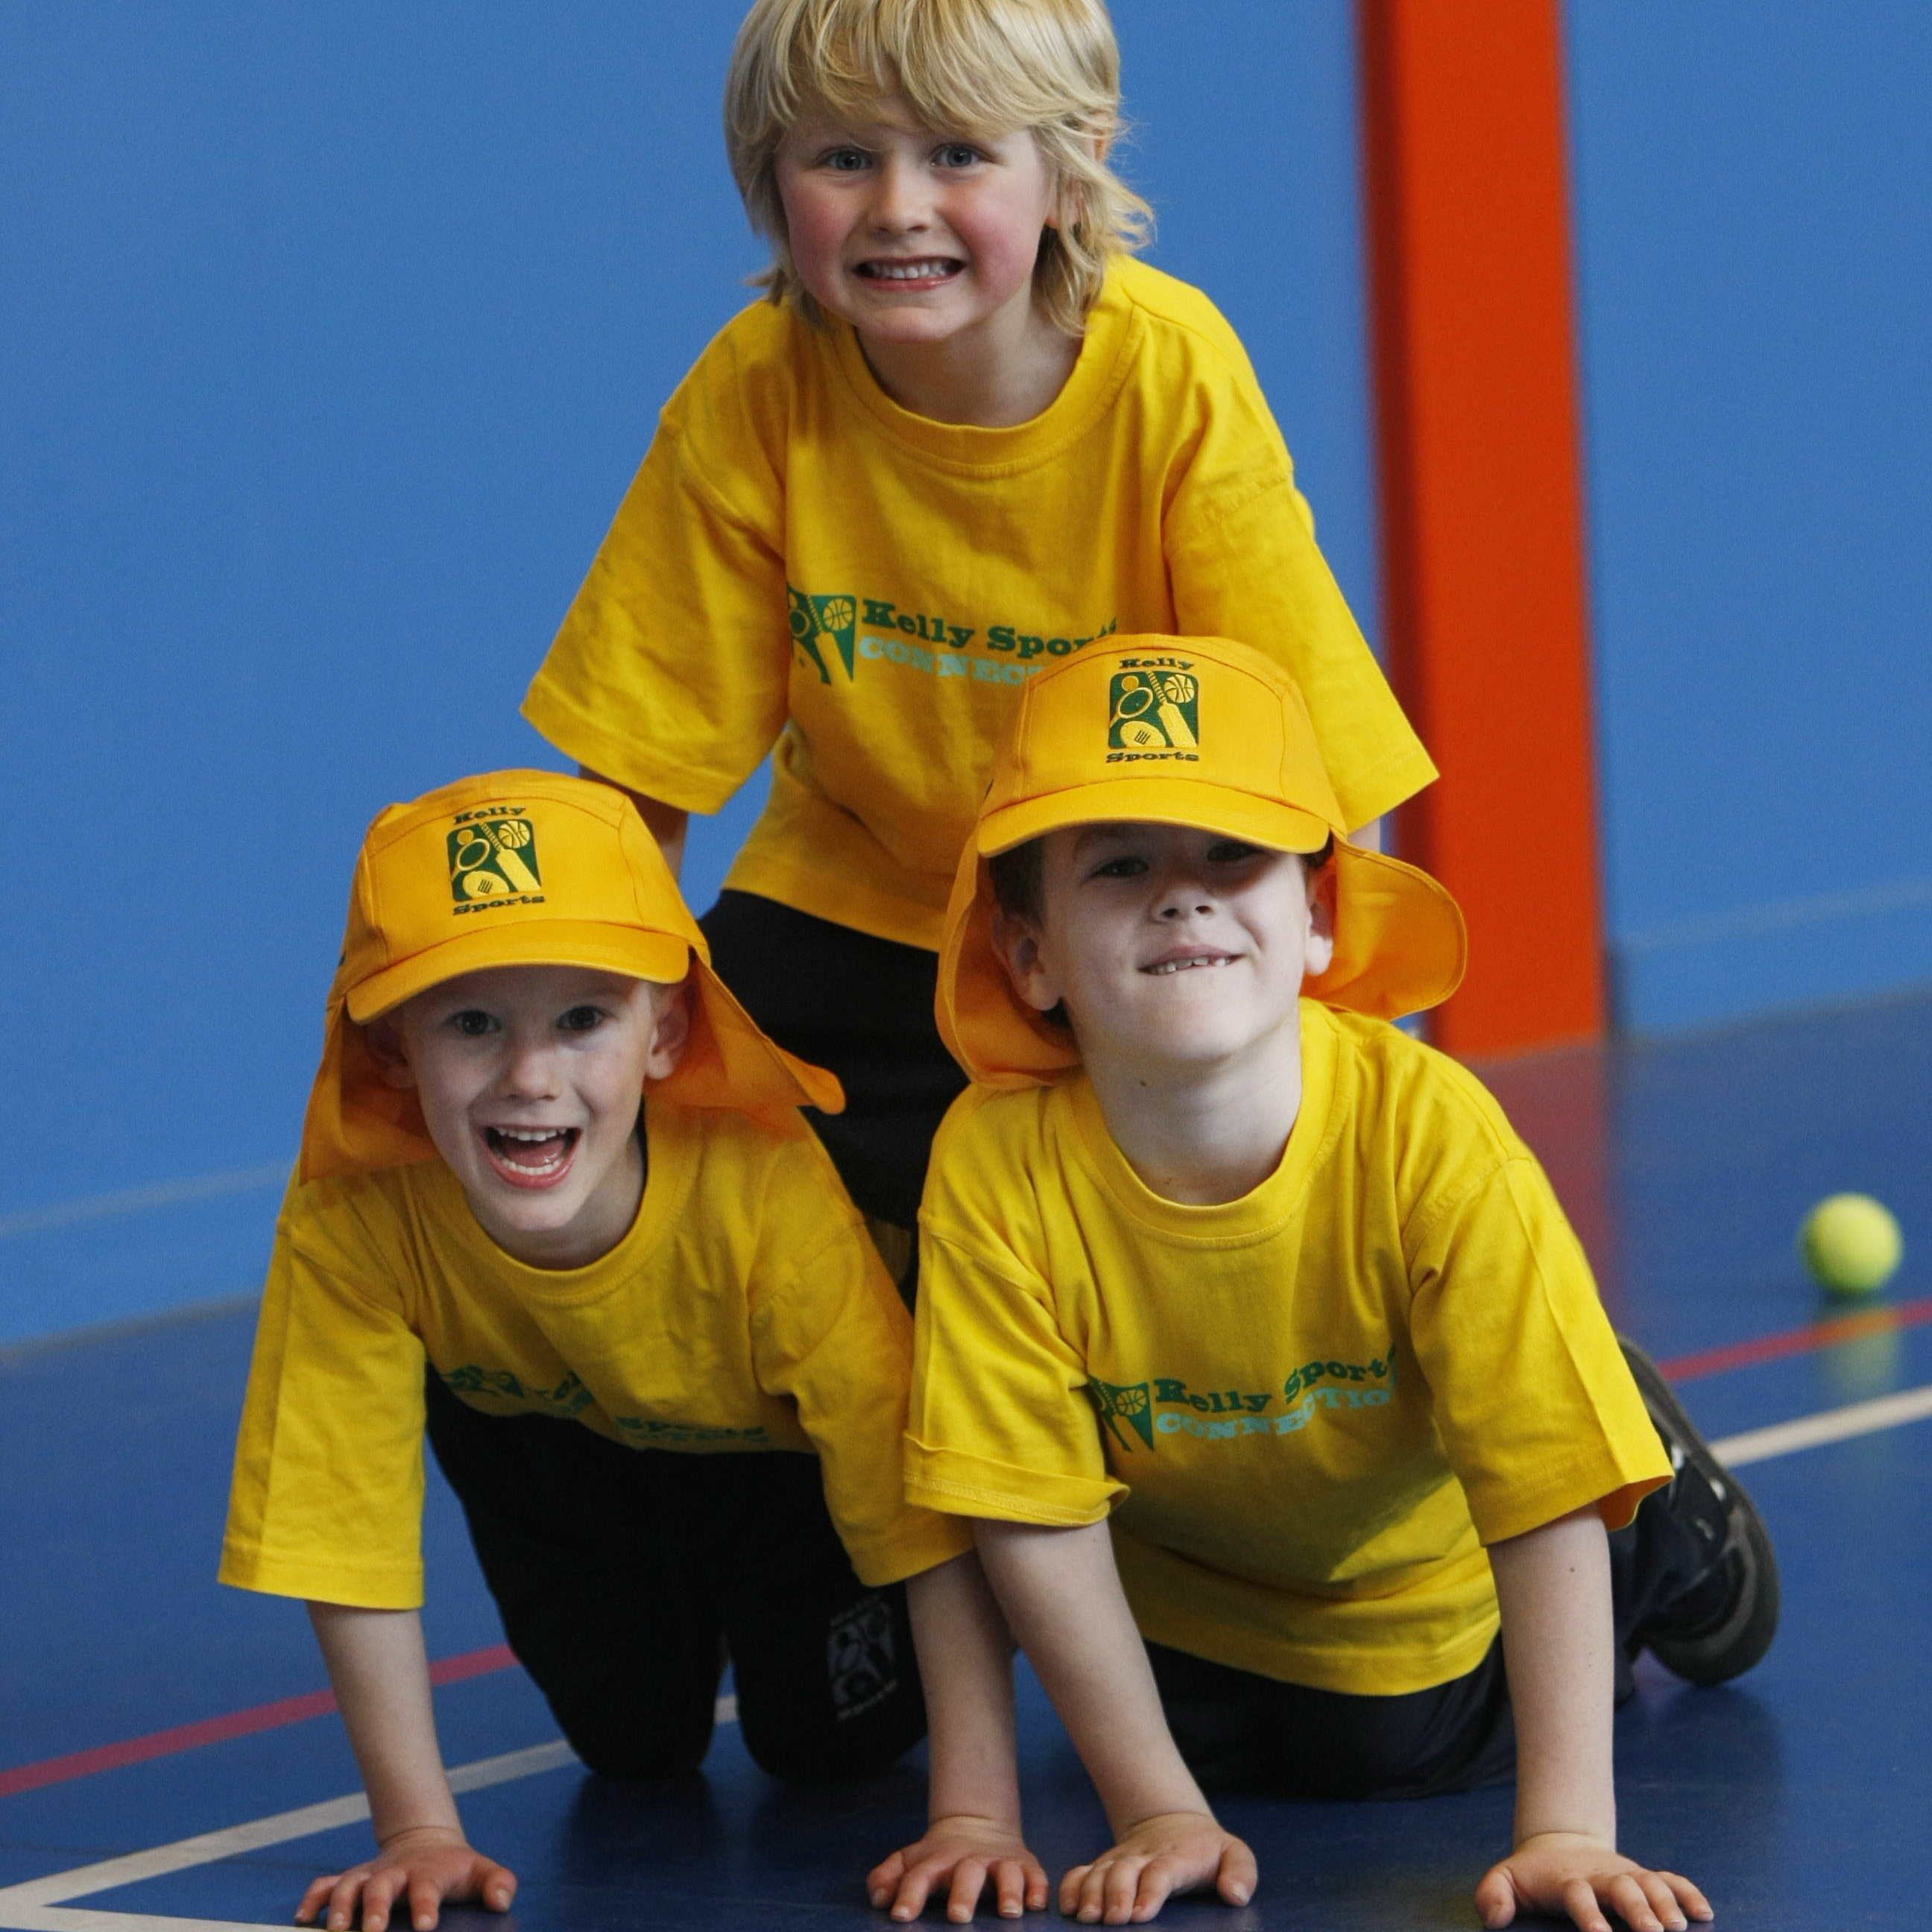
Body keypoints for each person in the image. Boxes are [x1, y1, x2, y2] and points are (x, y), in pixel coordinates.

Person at [520, 0, 1436, 1283]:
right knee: (669, 1162)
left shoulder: (1169, 376)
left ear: (1070, 169)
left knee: (1247, 1181)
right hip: (860, 893)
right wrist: (597, 1038)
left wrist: (1342, 1058)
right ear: (773, 179)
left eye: (958, 154)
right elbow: (635, 777)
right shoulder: (759, 387)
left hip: (1111, 912)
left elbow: (1320, 752)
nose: (898, 206)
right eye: (844, 158)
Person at [904, 636, 1780, 1931]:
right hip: (1198, 1596)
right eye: (1121, 865)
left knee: (1384, 1752)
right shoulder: (992, 1166)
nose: (1182, 899)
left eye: (1232, 856)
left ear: (1316, 918)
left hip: (1411, 1576)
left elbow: (1540, 1488)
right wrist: (1157, 1809)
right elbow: (1026, 1512)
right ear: (1029, 955)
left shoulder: (1429, 1133)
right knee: (1231, 1758)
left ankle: (1659, 1499)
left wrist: (1567, 1833)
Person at [218, 771, 1046, 1932]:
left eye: (582, 1020)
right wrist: (417, 1834)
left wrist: (975, 1816)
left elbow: (921, 1516)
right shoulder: (350, 1210)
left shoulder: (766, 1190)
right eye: (472, 1023)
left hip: (782, 1470)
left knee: (827, 1749)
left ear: (665, 1032)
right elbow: (340, 1533)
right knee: (632, 1746)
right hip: (551, 1444)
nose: (530, 1077)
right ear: (392, 1047)